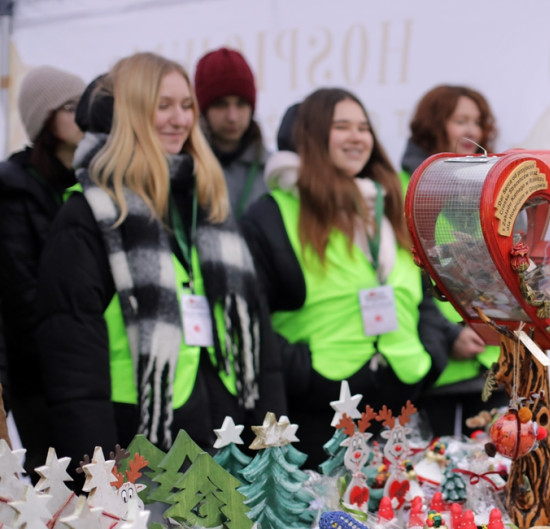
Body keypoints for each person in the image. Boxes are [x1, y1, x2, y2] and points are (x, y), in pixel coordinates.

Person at [35, 52, 284, 474]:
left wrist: (274, 441)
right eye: (162, 105)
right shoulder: (89, 216)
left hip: (222, 436)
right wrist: (100, 479)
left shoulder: (208, 202)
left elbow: (257, 333)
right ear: (131, 112)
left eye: (186, 105)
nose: (179, 119)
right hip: (136, 444)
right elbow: (74, 370)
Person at [241, 87, 482, 466]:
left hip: (399, 404)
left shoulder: (389, 206)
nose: (356, 137)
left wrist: (430, 354)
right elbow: (252, 320)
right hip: (318, 415)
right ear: (312, 135)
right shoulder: (272, 214)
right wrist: (303, 373)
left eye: (363, 127)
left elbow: (420, 294)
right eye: (342, 127)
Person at [400, 85, 500, 435]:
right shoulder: (402, 188)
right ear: (433, 126)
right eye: (460, 121)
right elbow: (405, 277)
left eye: (477, 122)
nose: (472, 131)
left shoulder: (492, 187)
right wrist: (449, 335)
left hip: (491, 360)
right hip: (435, 362)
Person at [0, 65, 86, 475]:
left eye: (83, 105)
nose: (81, 115)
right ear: (44, 118)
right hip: (38, 372)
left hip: (85, 362)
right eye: (70, 107)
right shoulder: (14, 189)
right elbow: (21, 293)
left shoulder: (90, 181)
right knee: (54, 481)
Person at [194, 47, 268, 217]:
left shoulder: (272, 171)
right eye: (221, 104)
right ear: (204, 110)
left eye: (241, 104)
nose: (232, 117)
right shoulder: (187, 167)